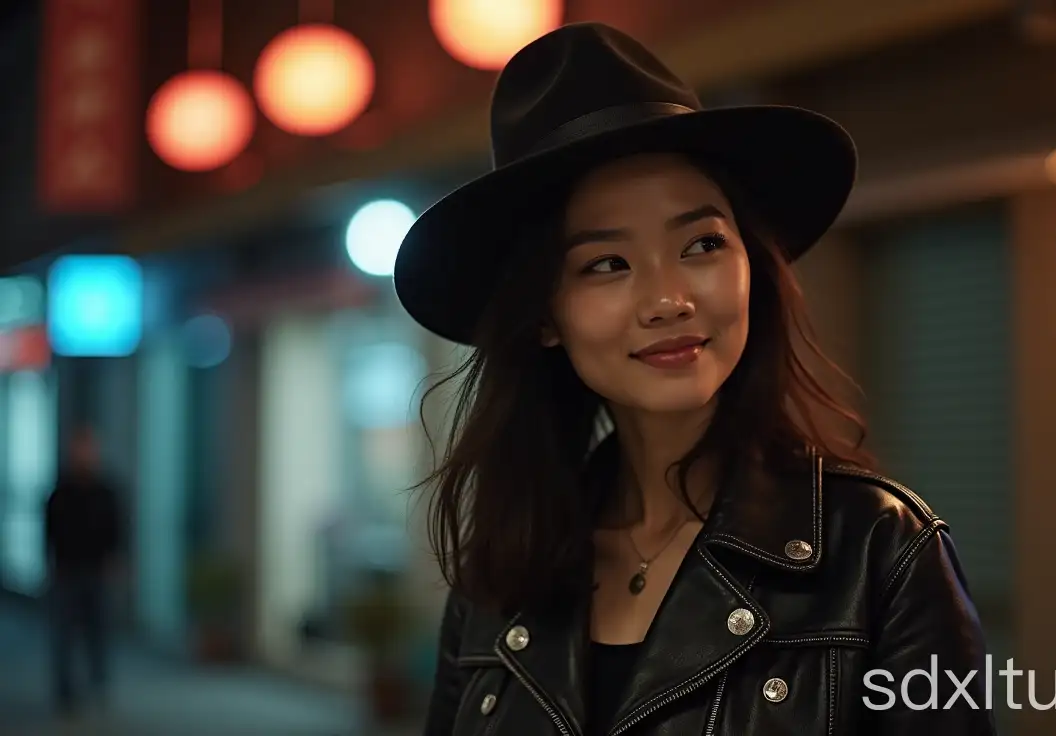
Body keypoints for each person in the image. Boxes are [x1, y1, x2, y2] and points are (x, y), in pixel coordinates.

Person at [396, 22, 995, 736]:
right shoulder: (500, 576)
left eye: (702, 244)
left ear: (753, 269)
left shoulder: (881, 551)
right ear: (545, 316)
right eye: (607, 264)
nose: (668, 299)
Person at [43, 424, 123, 715]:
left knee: (98, 632)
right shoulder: (61, 492)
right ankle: (65, 692)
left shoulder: (105, 491)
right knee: (64, 635)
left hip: (97, 571)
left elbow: (117, 528)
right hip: (67, 571)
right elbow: (49, 530)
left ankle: (99, 685)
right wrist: (52, 563)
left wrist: (115, 561)